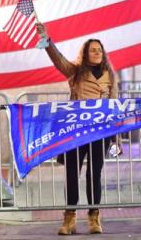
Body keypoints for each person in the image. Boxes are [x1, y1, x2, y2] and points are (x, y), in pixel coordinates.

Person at [36, 23, 118, 235]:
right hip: (76, 130)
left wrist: (116, 134)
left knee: (94, 174)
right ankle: (69, 219)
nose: (96, 52)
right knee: (72, 174)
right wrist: (48, 41)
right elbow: (59, 60)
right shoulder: (75, 71)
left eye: (99, 49)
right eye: (92, 49)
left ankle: (94, 218)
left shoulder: (110, 75)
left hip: (101, 131)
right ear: (85, 53)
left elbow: (115, 104)